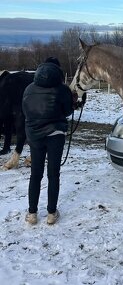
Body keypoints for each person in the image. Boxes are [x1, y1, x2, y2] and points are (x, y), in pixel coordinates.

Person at [22, 57, 75, 225]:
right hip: (55, 135)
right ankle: (51, 213)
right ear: (57, 71)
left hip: (34, 136)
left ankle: (32, 213)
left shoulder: (29, 88)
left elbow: (25, 111)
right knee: (53, 174)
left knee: (35, 174)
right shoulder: (62, 89)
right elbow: (67, 111)